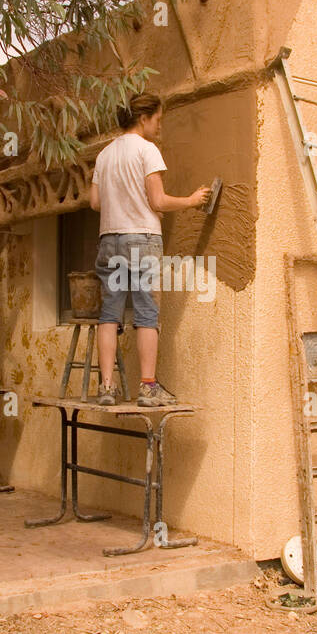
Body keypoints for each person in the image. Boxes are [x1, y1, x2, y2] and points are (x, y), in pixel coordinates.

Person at [89, 93, 209, 407]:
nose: (159, 126)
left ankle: (106, 387)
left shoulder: (104, 154)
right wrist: (191, 201)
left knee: (109, 314)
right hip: (141, 239)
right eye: (158, 120)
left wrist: (122, 201)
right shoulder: (147, 150)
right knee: (146, 314)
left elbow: (95, 202)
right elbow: (158, 201)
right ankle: (147, 387)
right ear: (143, 119)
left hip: (109, 239)